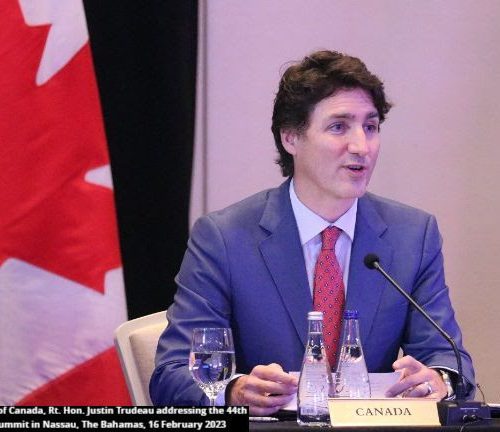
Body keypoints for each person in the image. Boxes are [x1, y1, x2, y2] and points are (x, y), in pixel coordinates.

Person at [150, 50, 475, 414]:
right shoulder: (225, 238)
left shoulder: (411, 236)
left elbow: (449, 358)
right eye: (339, 127)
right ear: (291, 137)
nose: (361, 146)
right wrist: (234, 391)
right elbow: (172, 373)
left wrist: (439, 380)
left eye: (370, 127)